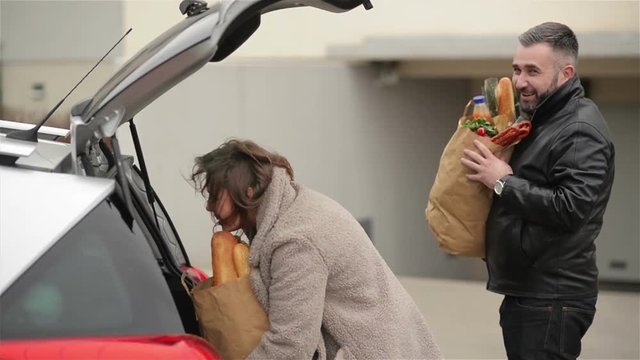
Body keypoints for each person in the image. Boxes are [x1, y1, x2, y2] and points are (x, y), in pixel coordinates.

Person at [191, 139, 442, 360]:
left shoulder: (295, 242)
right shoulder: (291, 207)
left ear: (247, 191)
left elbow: (290, 346)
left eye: (215, 195)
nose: (209, 207)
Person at [461, 22, 615, 359]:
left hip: (552, 298)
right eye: (516, 69)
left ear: (566, 73)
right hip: (533, 293)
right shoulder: (543, 118)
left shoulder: (578, 129)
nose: (520, 82)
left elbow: (570, 208)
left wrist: (501, 180)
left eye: (533, 71)